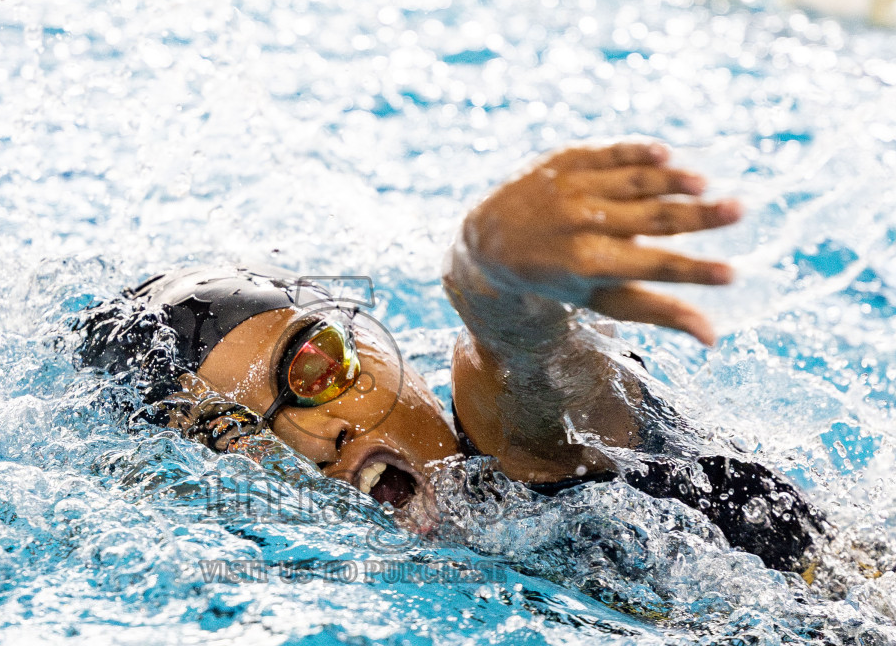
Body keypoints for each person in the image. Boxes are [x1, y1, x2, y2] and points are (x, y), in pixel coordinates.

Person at [73, 141, 829, 574]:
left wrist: (491, 277)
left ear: (368, 336)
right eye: (231, 434)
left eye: (310, 370)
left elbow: (525, 361)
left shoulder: (508, 435)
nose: (313, 438)